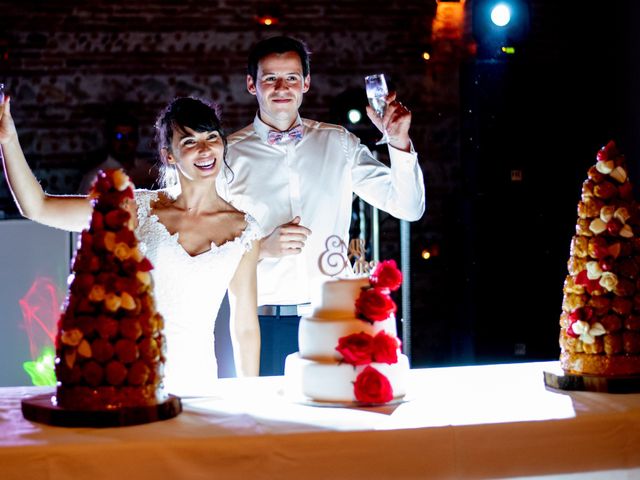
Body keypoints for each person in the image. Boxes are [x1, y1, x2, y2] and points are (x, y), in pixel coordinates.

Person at [0, 95, 261, 395]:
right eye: (189, 141)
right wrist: (8, 141)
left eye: (212, 137)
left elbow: (244, 327)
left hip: (198, 378)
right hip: (129, 371)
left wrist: (248, 398)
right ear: (169, 155)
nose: (204, 149)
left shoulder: (245, 230)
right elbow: (38, 207)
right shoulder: (136, 208)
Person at [218, 35, 426, 376]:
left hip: (332, 319)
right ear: (252, 84)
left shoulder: (339, 143)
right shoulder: (227, 155)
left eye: (292, 77)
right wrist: (262, 248)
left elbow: (409, 207)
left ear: (306, 83)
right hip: (260, 325)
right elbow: (208, 247)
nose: (282, 87)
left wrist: (399, 143)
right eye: (270, 78)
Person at [78, 106, 156, 193]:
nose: (124, 141)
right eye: (118, 136)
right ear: (109, 138)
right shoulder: (94, 178)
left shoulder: (150, 171)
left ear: (136, 139)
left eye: (129, 136)